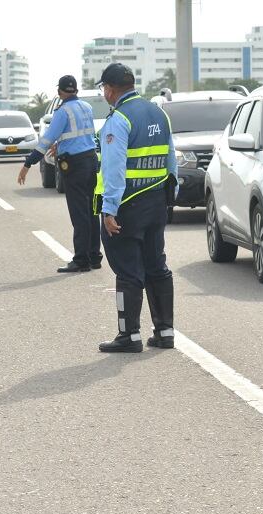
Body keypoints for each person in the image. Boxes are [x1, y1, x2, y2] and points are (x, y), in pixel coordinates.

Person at [94, 63, 177, 353]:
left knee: (128, 272)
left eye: (103, 88)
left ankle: (128, 335)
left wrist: (109, 210)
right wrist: (169, 195)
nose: (104, 93)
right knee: (157, 266)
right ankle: (165, 332)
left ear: (110, 89)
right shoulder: (159, 113)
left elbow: (114, 170)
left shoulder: (118, 119)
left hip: (127, 205)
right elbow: (171, 159)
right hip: (156, 201)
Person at [17, 75, 103, 272]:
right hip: (90, 160)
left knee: (79, 213)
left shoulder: (63, 111)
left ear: (59, 91)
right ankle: (94, 257)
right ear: (76, 90)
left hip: (75, 165)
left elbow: (46, 140)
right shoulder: (87, 107)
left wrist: (28, 163)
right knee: (91, 211)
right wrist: (62, 144)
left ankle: (81, 260)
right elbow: (81, 135)